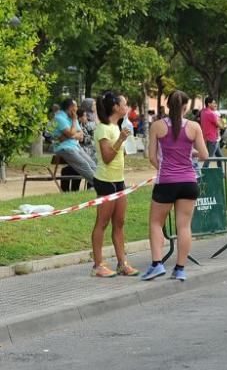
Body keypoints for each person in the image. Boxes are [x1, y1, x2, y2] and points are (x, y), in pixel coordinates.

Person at [143, 91, 209, 281]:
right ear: (186, 107)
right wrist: (190, 153)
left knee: (156, 223)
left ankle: (157, 264)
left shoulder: (157, 126)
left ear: (168, 105)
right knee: (184, 226)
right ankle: (180, 268)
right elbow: (204, 155)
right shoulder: (194, 127)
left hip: (166, 182)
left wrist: (164, 168)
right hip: (189, 181)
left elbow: (152, 157)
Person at [90, 91, 139, 278]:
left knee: (119, 222)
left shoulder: (118, 126)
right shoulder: (103, 128)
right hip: (105, 180)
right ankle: (98, 265)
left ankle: (122, 263)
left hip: (119, 180)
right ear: (116, 107)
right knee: (102, 222)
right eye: (124, 104)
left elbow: (121, 154)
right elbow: (107, 157)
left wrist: (127, 142)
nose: (127, 108)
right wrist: (120, 140)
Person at [50, 98, 98, 182]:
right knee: (84, 165)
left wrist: (70, 136)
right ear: (71, 107)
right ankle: (100, 185)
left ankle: (103, 183)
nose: (77, 108)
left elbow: (81, 135)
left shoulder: (71, 116)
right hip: (65, 148)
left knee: (92, 163)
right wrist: (74, 121)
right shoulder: (59, 118)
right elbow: (70, 133)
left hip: (75, 145)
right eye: (76, 106)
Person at [200, 96, 222, 168]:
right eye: (213, 103)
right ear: (209, 104)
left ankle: (221, 173)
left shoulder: (203, 112)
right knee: (209, 157)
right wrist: (219, 119)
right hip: (212, 138)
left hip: (208, 137)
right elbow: (221, 126)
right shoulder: (211, 114)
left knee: (219, 156)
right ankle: (202, 173)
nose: (215, 104)